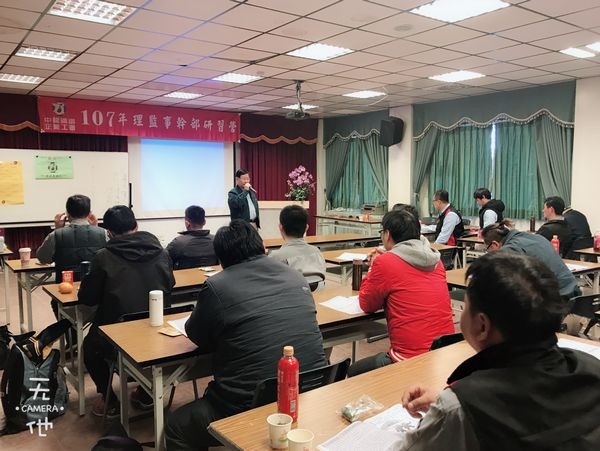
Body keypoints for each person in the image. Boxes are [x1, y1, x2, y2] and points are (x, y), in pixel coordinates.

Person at [399, 252, 600, 450]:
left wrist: (450, 409)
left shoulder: (463, 406)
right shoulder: (591, 369)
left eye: (466, 307)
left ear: (482, 326)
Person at [165, 219, 327, 451]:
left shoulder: (217, 286)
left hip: (248, 406)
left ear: (220, 260)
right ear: (263, 247)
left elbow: (197, 335)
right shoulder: (296, 276)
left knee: (176, 426)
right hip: (312, 392)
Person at [78, 205, 175, 417]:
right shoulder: (162, 252)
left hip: (118, 335)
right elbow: (170, 285)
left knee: (90, 348)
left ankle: (109, 400)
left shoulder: (103, 257)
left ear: (109, 233)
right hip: (159, 330)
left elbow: (88, 297)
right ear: (136, 226)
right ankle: (146, 394)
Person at [347, 210, 455, 377]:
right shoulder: (436, 261)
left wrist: (374, 266)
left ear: (387, 234)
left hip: (410, 360)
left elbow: (367, 304)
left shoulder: (385, 262)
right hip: (445, 353)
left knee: (353, 371)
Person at [482, 220, 579, 299]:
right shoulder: (536, 237)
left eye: (488, 249)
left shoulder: (510, 249)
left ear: (495, 244)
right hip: (573, 293)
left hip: (555, 300)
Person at [37, 194, 107, 282]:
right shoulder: (104, 233)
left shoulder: (55, 235)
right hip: (96, 286)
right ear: (89, 213)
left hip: (66, 286)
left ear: (67, 214)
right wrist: (95, 228)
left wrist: (58, 230)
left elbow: (43, 259)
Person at [268, 205, 326, 290]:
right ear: (306, 228)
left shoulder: (275, 256)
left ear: (280, 227)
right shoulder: (316, 251)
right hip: (320, 294)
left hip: (292, 296)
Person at [166, 205, 217, 269]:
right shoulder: (216, 240)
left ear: (187, 223)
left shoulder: (178, 243)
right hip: (212, 275)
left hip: (184, 275)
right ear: (204, 222)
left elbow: (164, 259)